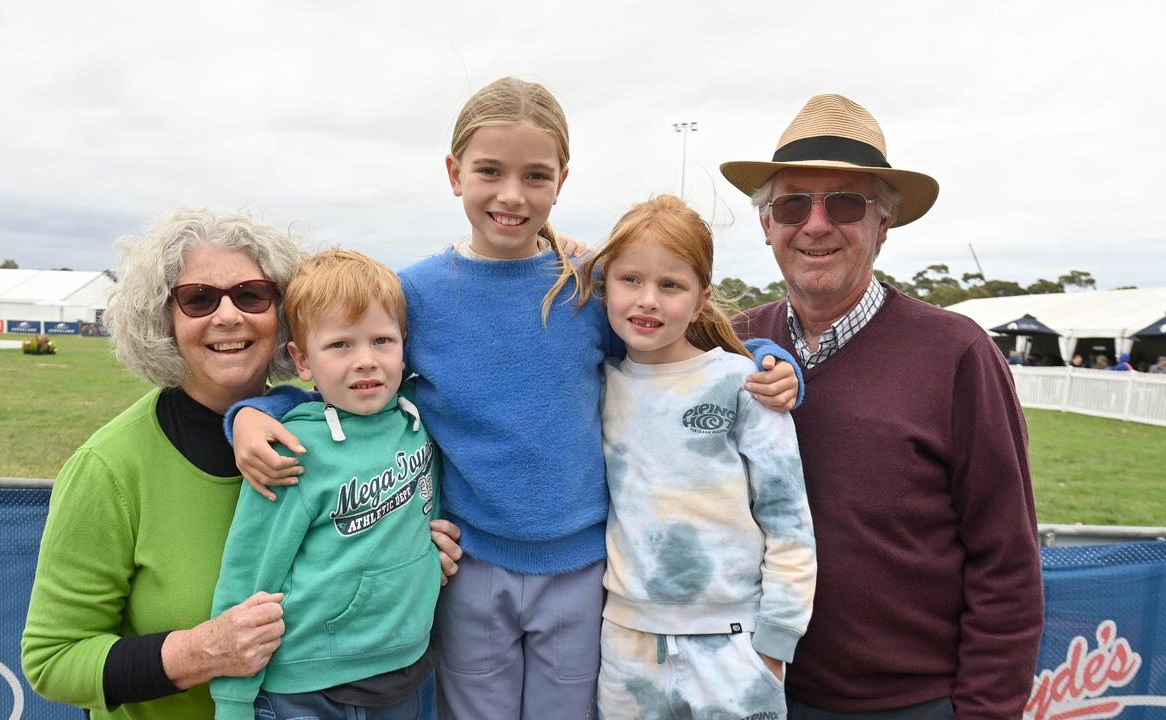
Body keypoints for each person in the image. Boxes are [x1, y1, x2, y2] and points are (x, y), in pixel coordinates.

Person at [227, 77, 802, 720]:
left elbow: (678, 345)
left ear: (561, 180)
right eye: (489, 171)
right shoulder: (413, 294)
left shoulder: (587, 288)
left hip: (584, 570)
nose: (511, 194)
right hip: (469, 566)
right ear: (454, 173)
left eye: (535, 176)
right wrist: (254, 412)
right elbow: (344, 375)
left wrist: (765, 361)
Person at [20, 211, 462, 719]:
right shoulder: (109, 466)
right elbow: (52, 660)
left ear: (283, 314)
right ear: (163, 318)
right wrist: (197, 652)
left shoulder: (336, 427)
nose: (228, 316)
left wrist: (410, 551)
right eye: (199, 298)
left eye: (251, 294)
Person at [721, 95, 1043, 719]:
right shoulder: (727, 348)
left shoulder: (957, 353)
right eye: (793, 203)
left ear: (882, 225)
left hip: (912, 704)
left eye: (844, 203)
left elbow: (1005, 561)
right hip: (752, 692)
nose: (815, 224)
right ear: (767, 225)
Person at [578, 195, 815, 719]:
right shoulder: (595, 388)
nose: (648, 301)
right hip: (626, 647)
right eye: (630, 280)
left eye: (670, 285)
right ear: (604, 284)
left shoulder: (744, 383)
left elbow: (788, 521)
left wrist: (775, 642)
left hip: (734, 644)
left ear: (702, 296)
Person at [210, 250, 440, 720]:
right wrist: (233, 699)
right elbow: (249, 572)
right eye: (339, 345)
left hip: (406, 664)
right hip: (308, 685)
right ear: (302, 359)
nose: (365, 362)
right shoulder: (290, 449)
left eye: (382, 340)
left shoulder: (420, 416)